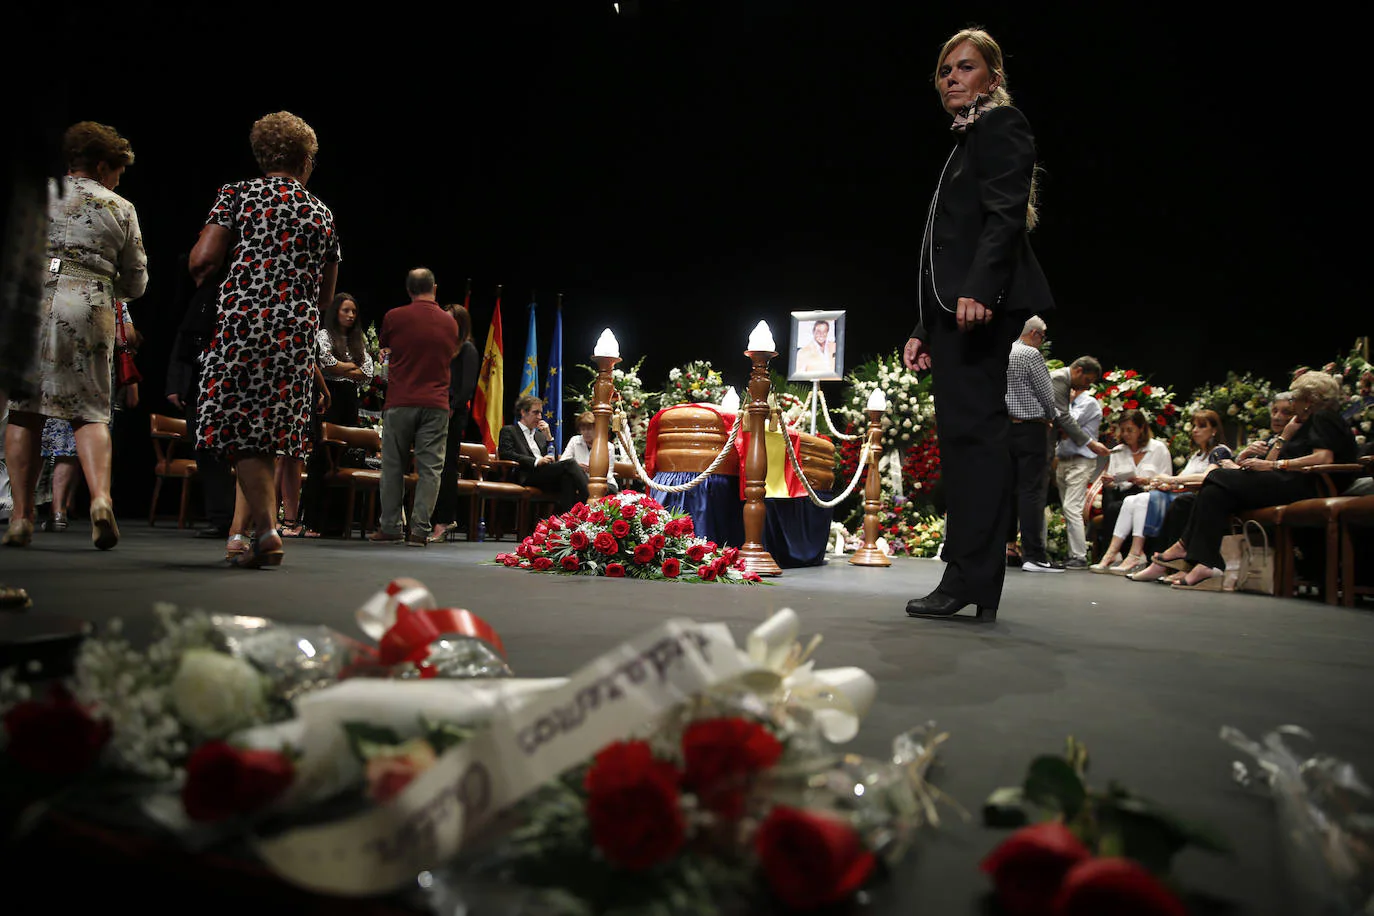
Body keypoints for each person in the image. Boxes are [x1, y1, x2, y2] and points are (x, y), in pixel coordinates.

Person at [902, 28, 1056, 623]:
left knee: (975, 442)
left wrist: (980, 290)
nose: (950, 79)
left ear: (992, 77)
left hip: (977, 307)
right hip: (953, 310)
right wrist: (922, 324)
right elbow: (942, 246)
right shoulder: (963, 143)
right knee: (966, 442)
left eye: (963, 68)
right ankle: (972, 577)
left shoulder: (1001, 124)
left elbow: (1004, 217)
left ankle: (969, 575)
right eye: (943, 70)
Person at [189, 111, 337, 569]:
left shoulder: (238, 194)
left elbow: (203, 260)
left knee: (238, 428)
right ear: (306, 161)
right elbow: (327, 294)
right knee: (269, 432)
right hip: (295, 332)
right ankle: (248, 533)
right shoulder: (321, 213)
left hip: (243, 325)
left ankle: (267, 531)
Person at [3, 121, 147, 552]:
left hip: (31, 302)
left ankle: (21, 516)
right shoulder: (119, 206)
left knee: (23, 410)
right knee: (91, 412)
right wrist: (106, 286)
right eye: (117, 170)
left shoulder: (37, 195)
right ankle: (101, 500)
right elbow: (137, 279)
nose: (119, 178)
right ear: (102, 165)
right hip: (88, 305)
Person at [1159, 371, 1359, 590]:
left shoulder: (1324, 417)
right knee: (1216, 492)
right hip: (1292, 481)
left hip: (1310, 485)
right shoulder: (1304, 423)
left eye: (1295, 399)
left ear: (1309, 401)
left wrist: (1274, 465)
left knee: (1217, 476)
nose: (1293, 405)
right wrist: (1286, 436)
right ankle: (1206, 561)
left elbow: (1324, 458)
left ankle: (1185, 546)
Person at [369, 269, 459, 547]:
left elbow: (385, 347)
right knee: (431, 469)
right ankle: (420, 531)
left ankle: (391, 526)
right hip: (436, 403)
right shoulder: (450, 324)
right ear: (434, 287)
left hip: (400, 401)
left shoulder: (394, 317)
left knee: (393, 465)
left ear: (408, 290)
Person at [1094, 409, 1233, 579]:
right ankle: (1115, 552)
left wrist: (1170, 480)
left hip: (1199, 499)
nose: (1195, 430)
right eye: (1194, 426)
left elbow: (1209, 477)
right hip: (1178, 493)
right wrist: (1166, 483)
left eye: (1201, 426)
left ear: (1214, 431)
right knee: (1132, 499)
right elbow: (1180, 480)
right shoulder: (1196, 456)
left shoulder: (1220, 451)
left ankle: (1137, 554)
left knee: (1145, 498)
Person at [298, 292, 373, 536]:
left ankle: (339, 524)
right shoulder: (324, 335)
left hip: (350, 401)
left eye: (353, 311)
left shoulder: (357, 339)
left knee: (348, 456)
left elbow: (369, 370)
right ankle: (314, 522)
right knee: (323, 455)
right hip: (329, 396)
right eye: (345, 310)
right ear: (335, 312)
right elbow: (326, 363)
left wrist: (346, 368)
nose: (350, 315)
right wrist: (351, 368)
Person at [1089, 409, 1172, 571]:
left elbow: (1167, 480)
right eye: (1123, 430)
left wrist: (1146, 480)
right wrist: (1109, 482)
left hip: (1150, 494)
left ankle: (1127, 553)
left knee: (1124, 504)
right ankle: (1113, 552)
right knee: (1114, 504)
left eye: (1130, 430)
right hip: (1123, 494)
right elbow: (1114, 481)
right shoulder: (1119, 450)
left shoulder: (1158, 449)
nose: (1126, 434)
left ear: (1141, 429)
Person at [430, 303, 480, 542]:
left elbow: (467, 386)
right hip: (434, 411)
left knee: (447, 467)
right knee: (431, 467)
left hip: (452, 413)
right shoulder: (441, 347)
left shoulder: (467, 348)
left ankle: (444, 520)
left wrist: (452, 406)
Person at [499, 395, 590, 514]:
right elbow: (506, 454)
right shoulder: (509, 431)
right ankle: (593, 500)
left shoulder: (540, 436)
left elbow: (556, 458)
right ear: (523, 412)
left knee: (567, 478)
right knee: (570, 464)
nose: (540, 417)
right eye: (535, 413)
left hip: (544, 476)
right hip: (525, 474)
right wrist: (536, 461)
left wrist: (549, 437)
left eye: (540, 413)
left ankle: (568, 523)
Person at [1055, 380, 1105, 569]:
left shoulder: (1088, 402)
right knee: (1066, 509)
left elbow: (1068, 423)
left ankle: (1080, 555)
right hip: (1064, 459)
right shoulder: (1068, 403)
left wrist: (1064, 425)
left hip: (1081, 460)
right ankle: (1072, 554)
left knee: (1071, 507)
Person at [562, 410, 623, 492]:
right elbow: (563, 462)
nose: (586, 432)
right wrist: (576, 468)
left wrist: (593, 470)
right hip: (580, 482)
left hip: (604, 483)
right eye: (583, 429)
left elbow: (608, 473)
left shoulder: (608, 446)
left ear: (596, 429)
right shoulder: (574, 441)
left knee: (592, 489)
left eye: (589, 429)